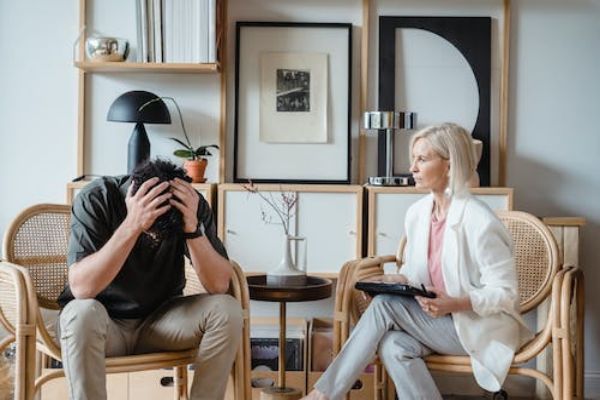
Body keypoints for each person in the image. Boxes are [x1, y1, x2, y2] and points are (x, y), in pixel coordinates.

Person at [302, 123, 532, 400]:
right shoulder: (418, 213)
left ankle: (323, 395)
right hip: (436, 323)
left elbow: (506, 294)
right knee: (393, 345)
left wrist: (455, 303)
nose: (412, 168)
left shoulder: (479, 221)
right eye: (414, 159)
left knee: (385, 306)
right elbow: (414, 274)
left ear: (449, 165)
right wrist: (387, 281)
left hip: (477, 328)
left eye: (422, 159)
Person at [56, 159, 242, 400]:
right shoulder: (96, 198)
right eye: (150, 233)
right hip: (103, 324)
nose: (155, 239)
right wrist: (133, 225)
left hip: (161, 323)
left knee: (227, 309)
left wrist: (192, 228)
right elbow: (82, 288)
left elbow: (219, 284)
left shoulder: (189, 203)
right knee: (80, 313)